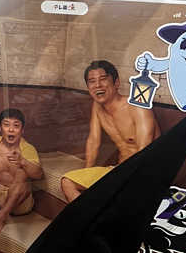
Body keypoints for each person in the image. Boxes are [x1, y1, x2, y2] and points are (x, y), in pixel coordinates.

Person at [61, 60, 160, 203]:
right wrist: (86, 174)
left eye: (103, 79)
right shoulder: (97, 107)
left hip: (142, 175)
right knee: (68, 182)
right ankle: (87, 214)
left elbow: (144, 152)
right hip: (117, 171)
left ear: (116, 83)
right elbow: (93, 141)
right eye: (92, 81)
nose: (98, 85)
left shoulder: (137, 107)